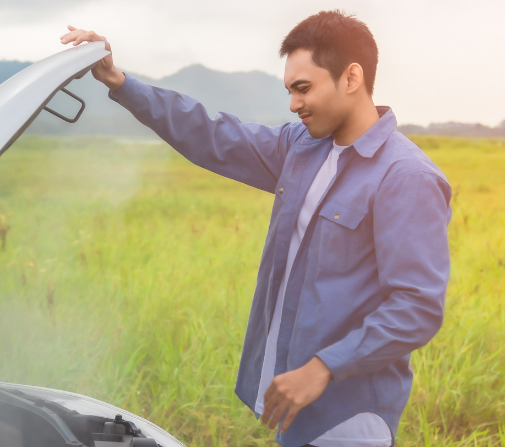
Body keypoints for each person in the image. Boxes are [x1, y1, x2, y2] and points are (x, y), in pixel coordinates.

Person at [60, 10, 451, 447]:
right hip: (294, 405)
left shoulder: (406, 176)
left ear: (352, 77)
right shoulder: (300, 149)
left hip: (349, 418)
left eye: (303, 88)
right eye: (290, 90)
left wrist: (322, 367)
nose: (293, 104)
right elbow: (210, 134)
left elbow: (417, 307)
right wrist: (119, 82)